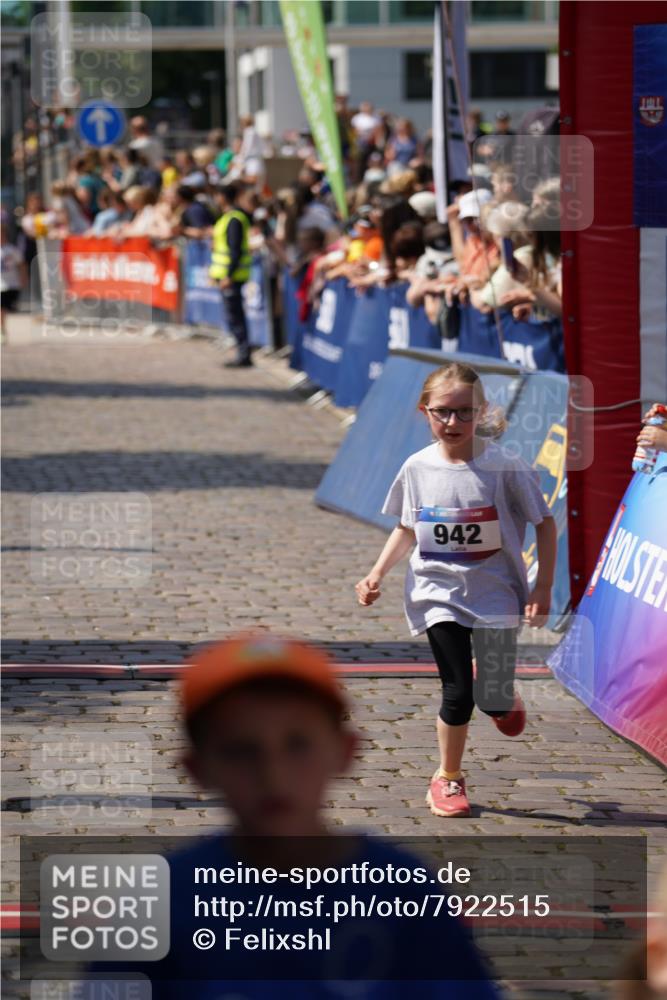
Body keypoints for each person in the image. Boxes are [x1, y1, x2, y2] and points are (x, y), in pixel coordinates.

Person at [94, 633, 500, 997]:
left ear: (344, 752)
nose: (273, 774)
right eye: (240, 750)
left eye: (298, 744)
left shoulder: (404, 893)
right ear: (196, 769)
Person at [356, 361, 557, 819]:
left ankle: (500, 693)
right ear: (424, 412)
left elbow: (545, 524)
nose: (453, 423)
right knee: (456, 691)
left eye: (464, 413)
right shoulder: (417, 467)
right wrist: (376, 574)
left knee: (496, 700)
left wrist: (542, 585)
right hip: (436, 591)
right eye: (443, 413)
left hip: (496, 593)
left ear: (481, 411)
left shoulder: (505, 467)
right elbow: (407, 527)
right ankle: (448, 778)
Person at [209, 182, 253, 368]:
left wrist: (228, 275)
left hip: (233, 276)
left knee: (236, 317)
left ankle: (243, 355)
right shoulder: (227, 217)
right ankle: (240, 352)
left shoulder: (234, 219)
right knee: (233, 316)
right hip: (227, 274)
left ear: (222, 196)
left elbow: (235, 250)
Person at [1, 222, 27, 341]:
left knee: (4, 309)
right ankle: (2, 330)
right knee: (1, 309)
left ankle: (2, 330)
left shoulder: (11, 250)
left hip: (10, 285)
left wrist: (23, 278)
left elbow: (21, 264)